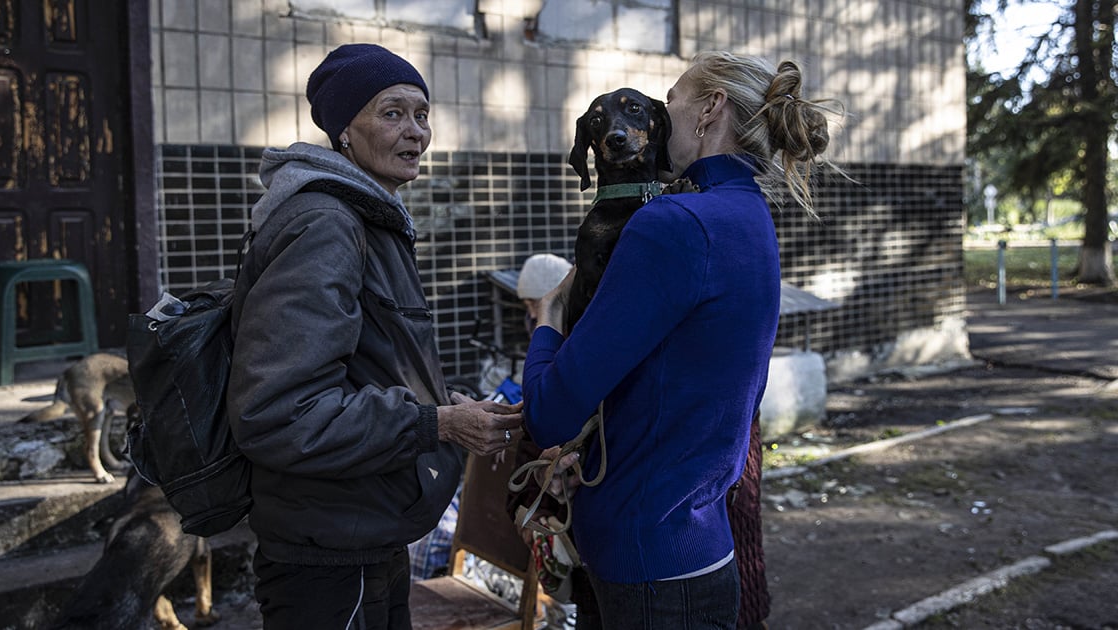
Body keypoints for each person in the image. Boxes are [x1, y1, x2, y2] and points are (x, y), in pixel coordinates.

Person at [521, 50, 839, 628]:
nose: (659, 121)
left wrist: (548, 316)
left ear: (709, 109)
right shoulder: (747, 212)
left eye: (670, 103)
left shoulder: (672, 225)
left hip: (646, 562)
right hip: (701, 544)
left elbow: (550, 412)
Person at [226, 43, 523, 629]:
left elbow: (364, 367)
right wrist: (435, 424)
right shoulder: (326, 226)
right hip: (327, 552)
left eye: (421, 114)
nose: (416, 133)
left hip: (365, 531)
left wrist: (446, 403)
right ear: (344, 132)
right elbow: (281, 412)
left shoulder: (366, 217)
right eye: (392, 113)